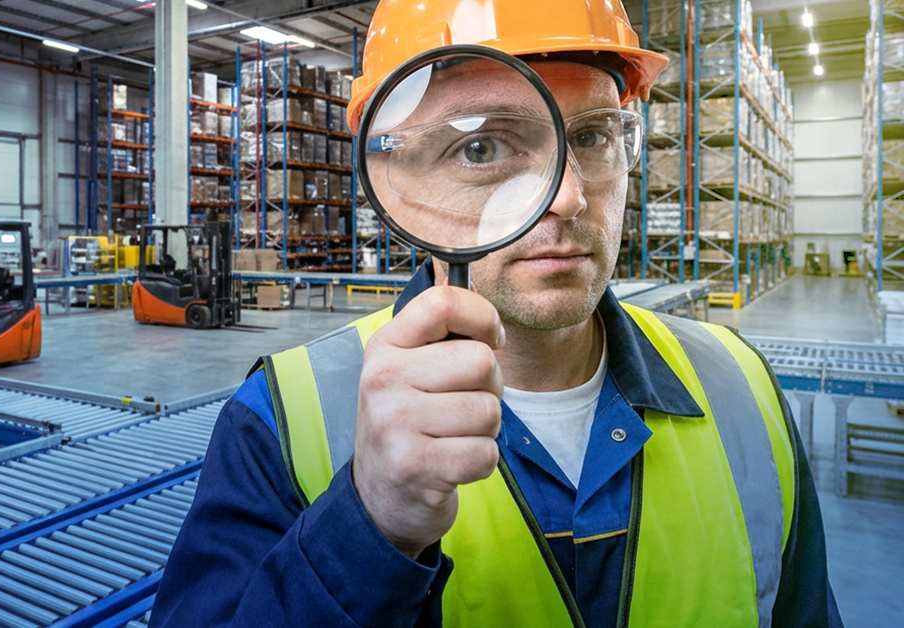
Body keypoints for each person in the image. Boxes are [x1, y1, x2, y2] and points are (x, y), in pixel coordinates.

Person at [149, 1, 842, 626]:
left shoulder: (742, 388)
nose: (567, 196)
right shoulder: (281, 419)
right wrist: (366, 528)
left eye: (595, 138)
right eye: (481, 147)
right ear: (395, 180)